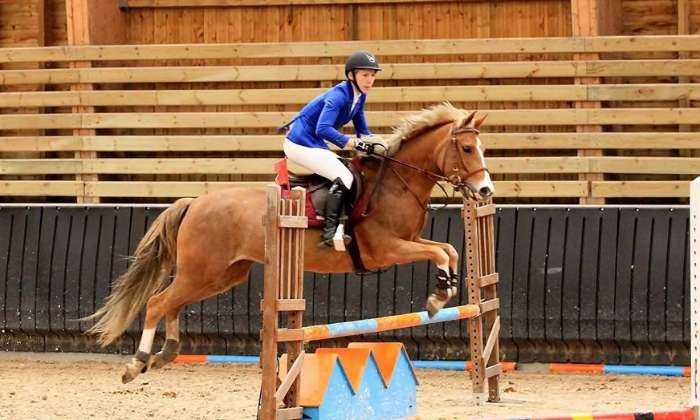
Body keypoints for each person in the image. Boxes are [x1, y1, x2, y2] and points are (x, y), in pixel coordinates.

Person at [282, 51, 387, 248]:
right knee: (344, 176)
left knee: (348, 171)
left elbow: (363, 132)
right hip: (299, 143)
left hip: (313, 142)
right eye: (365, 75)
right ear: (351, 76)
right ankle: (329, 233)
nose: (370, 80)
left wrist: (382, 145)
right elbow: (323, 129)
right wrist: (353, 143)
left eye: (373, 75)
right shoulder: (338, 96)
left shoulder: (359, 96)